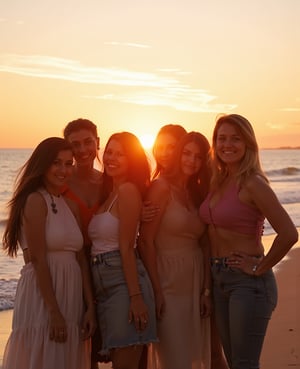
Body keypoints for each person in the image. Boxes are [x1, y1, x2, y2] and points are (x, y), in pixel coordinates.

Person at [199, 114, 299, 369]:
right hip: (220, 278)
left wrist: (259, 267)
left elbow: (289, 233)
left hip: (248, 283)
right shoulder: (218, 181)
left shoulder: (253, 183)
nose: (227, 144)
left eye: (236, 139)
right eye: (222, 139)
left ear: (248, 144)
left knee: (244, 364)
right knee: (236, 363)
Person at [2, 137, 96, 369]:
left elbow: (81, 258)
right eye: (56, 163)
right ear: (43, 165)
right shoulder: (35, 200)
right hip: (44, 296)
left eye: (68, 163)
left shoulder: (69, 205)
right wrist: (53, 312)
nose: (63, 170)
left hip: (71, 293)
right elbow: (38, 259)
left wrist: (90, 306)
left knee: (64, 358)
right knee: (43, 356)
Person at [139, 131, 212, 369]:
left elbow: (205, 243)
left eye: (198, 157)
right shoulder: (160, 187)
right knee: (174, 358)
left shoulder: (198, 191)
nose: (191, 160)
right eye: (186, 153)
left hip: (194, 279)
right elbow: (145, 241)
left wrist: (206, 290)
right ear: (178, 153)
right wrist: (157, 291)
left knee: (193, 357)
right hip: (167, 281)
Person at [88, 132, 158, 369]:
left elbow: (127, 248)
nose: (111, 158)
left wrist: (136, 298)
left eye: (120, 154)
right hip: (105, 285)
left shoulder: (128, 190)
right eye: (109, 152)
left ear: (132, 160)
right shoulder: (110, 194)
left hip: (123, 284)